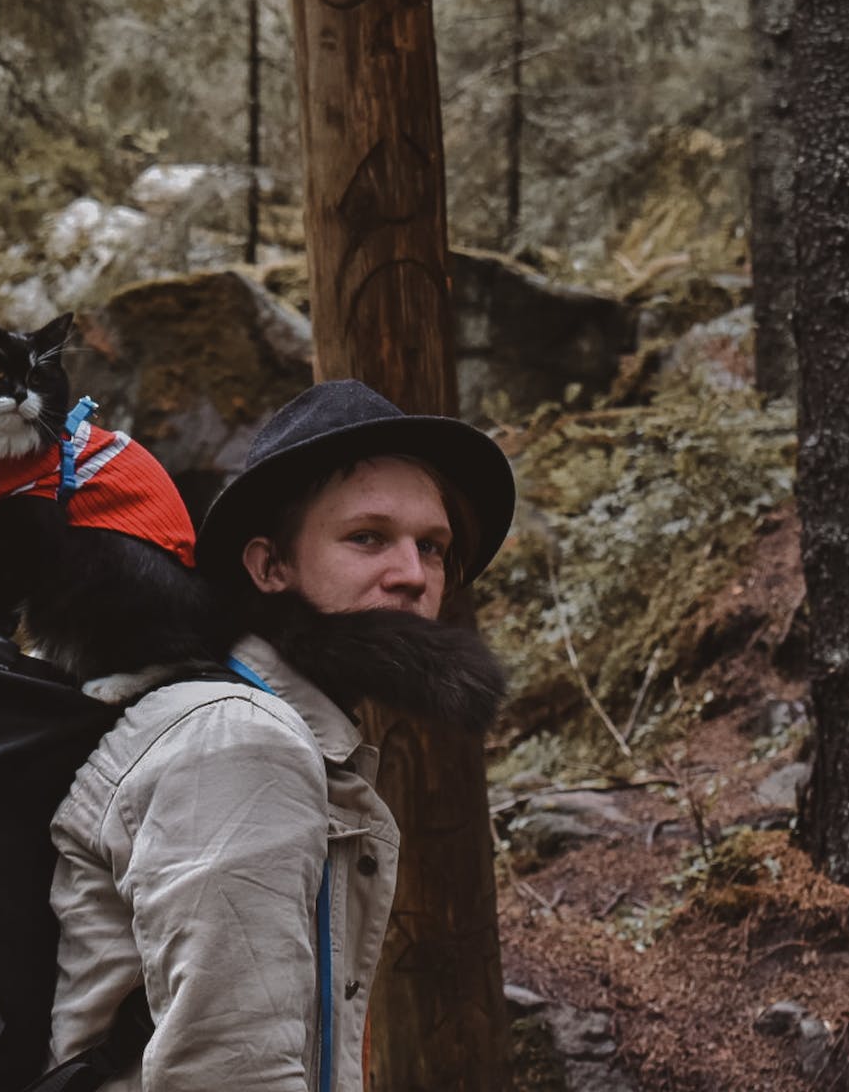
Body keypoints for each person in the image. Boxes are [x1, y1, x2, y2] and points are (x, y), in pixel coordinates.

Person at [47, 379, 515, 1090]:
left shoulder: (268, 727)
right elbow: (229, 1076)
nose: (414, 576)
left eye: (435, 548)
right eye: (368, 538)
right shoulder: (240, 740)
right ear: (269, 567)